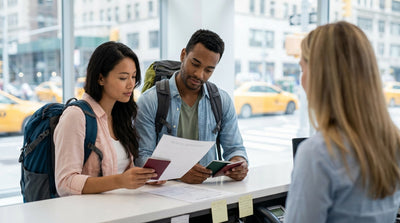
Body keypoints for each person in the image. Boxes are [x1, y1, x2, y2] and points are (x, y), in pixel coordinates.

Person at [285, 21, 400, 222]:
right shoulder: (392, 142)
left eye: (303, 68)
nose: (302, 79)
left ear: (320, 76)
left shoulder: (318, 153)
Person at [135, 29, 248, 184]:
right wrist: (178, 172)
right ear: (183, 55)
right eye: (195, 64)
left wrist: (238, 163)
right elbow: (142, 158)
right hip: (163, 194)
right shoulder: (150, 101)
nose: (199, 74)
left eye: (209, 70)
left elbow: (235, 148)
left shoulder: (222, 101)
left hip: (208, 194)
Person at [54, 41, 161, 196]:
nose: (131, 84)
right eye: (123, 78)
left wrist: (146, 177)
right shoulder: (76, 116)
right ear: (101, 78)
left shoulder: (121, 115)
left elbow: (123, 171)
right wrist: (119, 181)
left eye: (134, 77)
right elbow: (65, 183)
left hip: (119, 209)